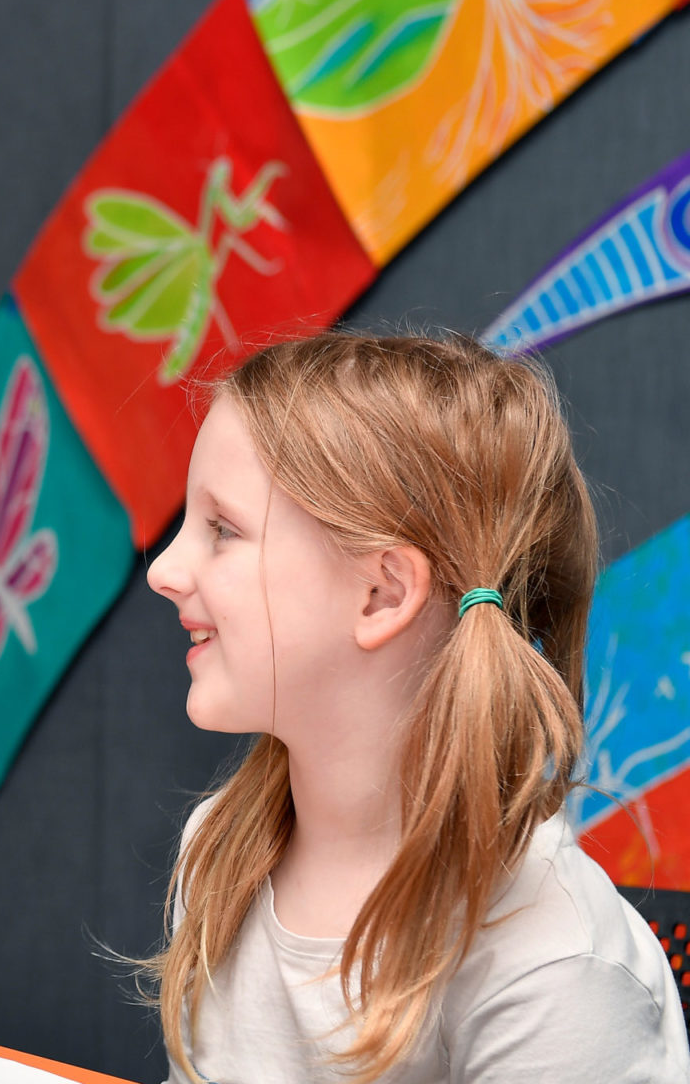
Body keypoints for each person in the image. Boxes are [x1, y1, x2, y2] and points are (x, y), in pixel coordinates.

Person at [142, 334, 689, 1081]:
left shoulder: (551, 965)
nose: (166, 571)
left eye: (224, 531)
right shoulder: (218, 855)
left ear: (382, 593)